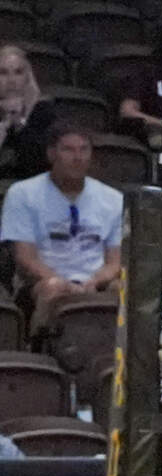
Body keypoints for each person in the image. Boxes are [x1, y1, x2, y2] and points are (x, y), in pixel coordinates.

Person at [2, 120, 124, 334]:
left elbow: (114, 262)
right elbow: (25, 258)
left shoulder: (113, 198)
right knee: (53, 288)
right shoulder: (22, 194)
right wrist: (63, 283)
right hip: (40, 282)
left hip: (94, 281)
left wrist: (94, 281)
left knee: (123, 288)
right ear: (51, 154)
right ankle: (40, 346)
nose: (77, 157)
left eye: (84, 150)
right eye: (68, 150)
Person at [0, 43, 59, 186]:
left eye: (18, 72)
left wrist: (20, 122)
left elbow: (41, 166)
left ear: (28, 77)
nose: (11, 80)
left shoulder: (43, 111)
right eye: (3, 73)